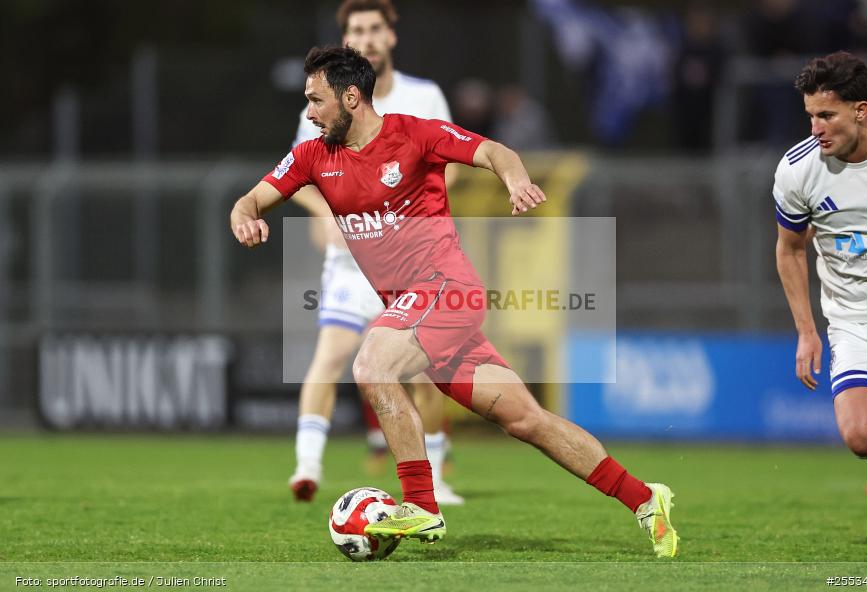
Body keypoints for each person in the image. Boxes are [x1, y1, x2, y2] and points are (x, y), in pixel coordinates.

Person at [231, 45, 678, 557]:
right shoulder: (314, 155)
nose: (309, 113)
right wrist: (244, 217)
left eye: (316, 100)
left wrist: (516, 180)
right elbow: (251, 198)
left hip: (446, 290)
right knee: (526, 420)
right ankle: (645, 498)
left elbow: (493, 152)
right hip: (419, 312)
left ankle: (422, 505)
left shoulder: (413, 134)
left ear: (351, 96)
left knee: (372, 364)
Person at [287, 0, 463, 505]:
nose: (365, 37)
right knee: (333, 354)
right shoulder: (323, 105)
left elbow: (446, 159)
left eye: (373, 28)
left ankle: (434, 474)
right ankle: (307, 468)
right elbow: (299, 173)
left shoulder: (423, 96)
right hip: (352, 258)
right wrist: (326, 218)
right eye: (355, 30)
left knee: (427, 369)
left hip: (414, 258)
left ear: (391, 36)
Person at [774, 51, 867, 490]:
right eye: (810, 116)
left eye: (826, 115)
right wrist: (807, 331)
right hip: (855, 324)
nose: (815, 128)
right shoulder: (797, 170)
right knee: (862, 437)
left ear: (861, 111)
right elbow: (789, 249)